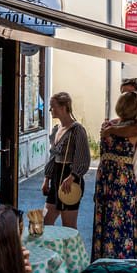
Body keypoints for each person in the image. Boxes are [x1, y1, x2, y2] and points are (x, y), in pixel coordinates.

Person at [92, 91, 137, 261]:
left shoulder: (107, 127)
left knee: (104, 219)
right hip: (123, 181)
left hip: (104, 179)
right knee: (125, 222)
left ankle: (103, 260)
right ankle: (125, 261)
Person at [41, 92, 91, 230]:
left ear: (63, 107)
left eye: (53, 107)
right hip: (56, 177)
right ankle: (51, 251)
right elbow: (52, 157)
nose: (51, 110)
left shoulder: (77, 130)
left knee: (68, 226)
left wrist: (73, 176)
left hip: (70, 178)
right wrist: (47, 178)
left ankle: (72, 251)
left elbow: (83, 158)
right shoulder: (57, 129)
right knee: (46, 221)